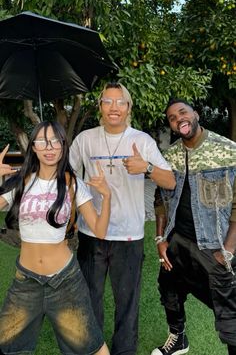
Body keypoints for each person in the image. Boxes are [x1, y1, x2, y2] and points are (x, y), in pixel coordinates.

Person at [69, 81, 176, 355]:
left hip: (128, 236)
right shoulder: (85, 139)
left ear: (128, 107)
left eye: (120, 102)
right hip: (91, 232)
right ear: (100, 107)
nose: (114, 107)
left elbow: (171, 182)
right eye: (107, 101)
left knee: (127, 302)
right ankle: (90, 349)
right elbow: (67, 177)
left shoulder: (141, 140)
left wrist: (147, 167)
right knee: (88, 299)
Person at [0, 121, 111, 355]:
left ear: (63, 146)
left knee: (91, 347)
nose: (49, 147)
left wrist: (107, 196)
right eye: (42, 141)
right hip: (26, 281)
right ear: (33, 147)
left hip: (65, 281)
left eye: (55, 141)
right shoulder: (21, 182)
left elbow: (99, 230)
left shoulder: (73, 184)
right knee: (8, 345)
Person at [151, 99, 236, 355]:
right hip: (178, 239)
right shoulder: (171, 155)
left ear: (196, 114)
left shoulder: (227, 150)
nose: (178, 120)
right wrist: (160, 238)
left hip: (215, 245)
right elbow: (160, 200)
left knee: (229, 310)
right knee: (168, 287)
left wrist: (229, 250)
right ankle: (178, 338)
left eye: (183, 113)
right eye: (172, 118)